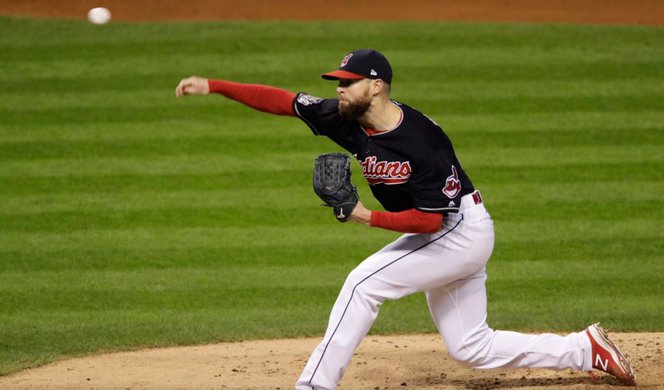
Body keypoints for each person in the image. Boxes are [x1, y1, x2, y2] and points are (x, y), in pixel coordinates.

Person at [175, 49, 636, 389]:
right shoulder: (345, 115)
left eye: (348, 81)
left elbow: (432, 222)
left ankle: (314, 385)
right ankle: (584, 348)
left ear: (376, 86)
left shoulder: (422, 144)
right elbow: (283, 100)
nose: (339, 89)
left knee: (363, 283)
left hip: (459, 233)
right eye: (337, 81)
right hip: (445, 232)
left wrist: (364, 217)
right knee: (469, 347)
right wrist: (214, 85)